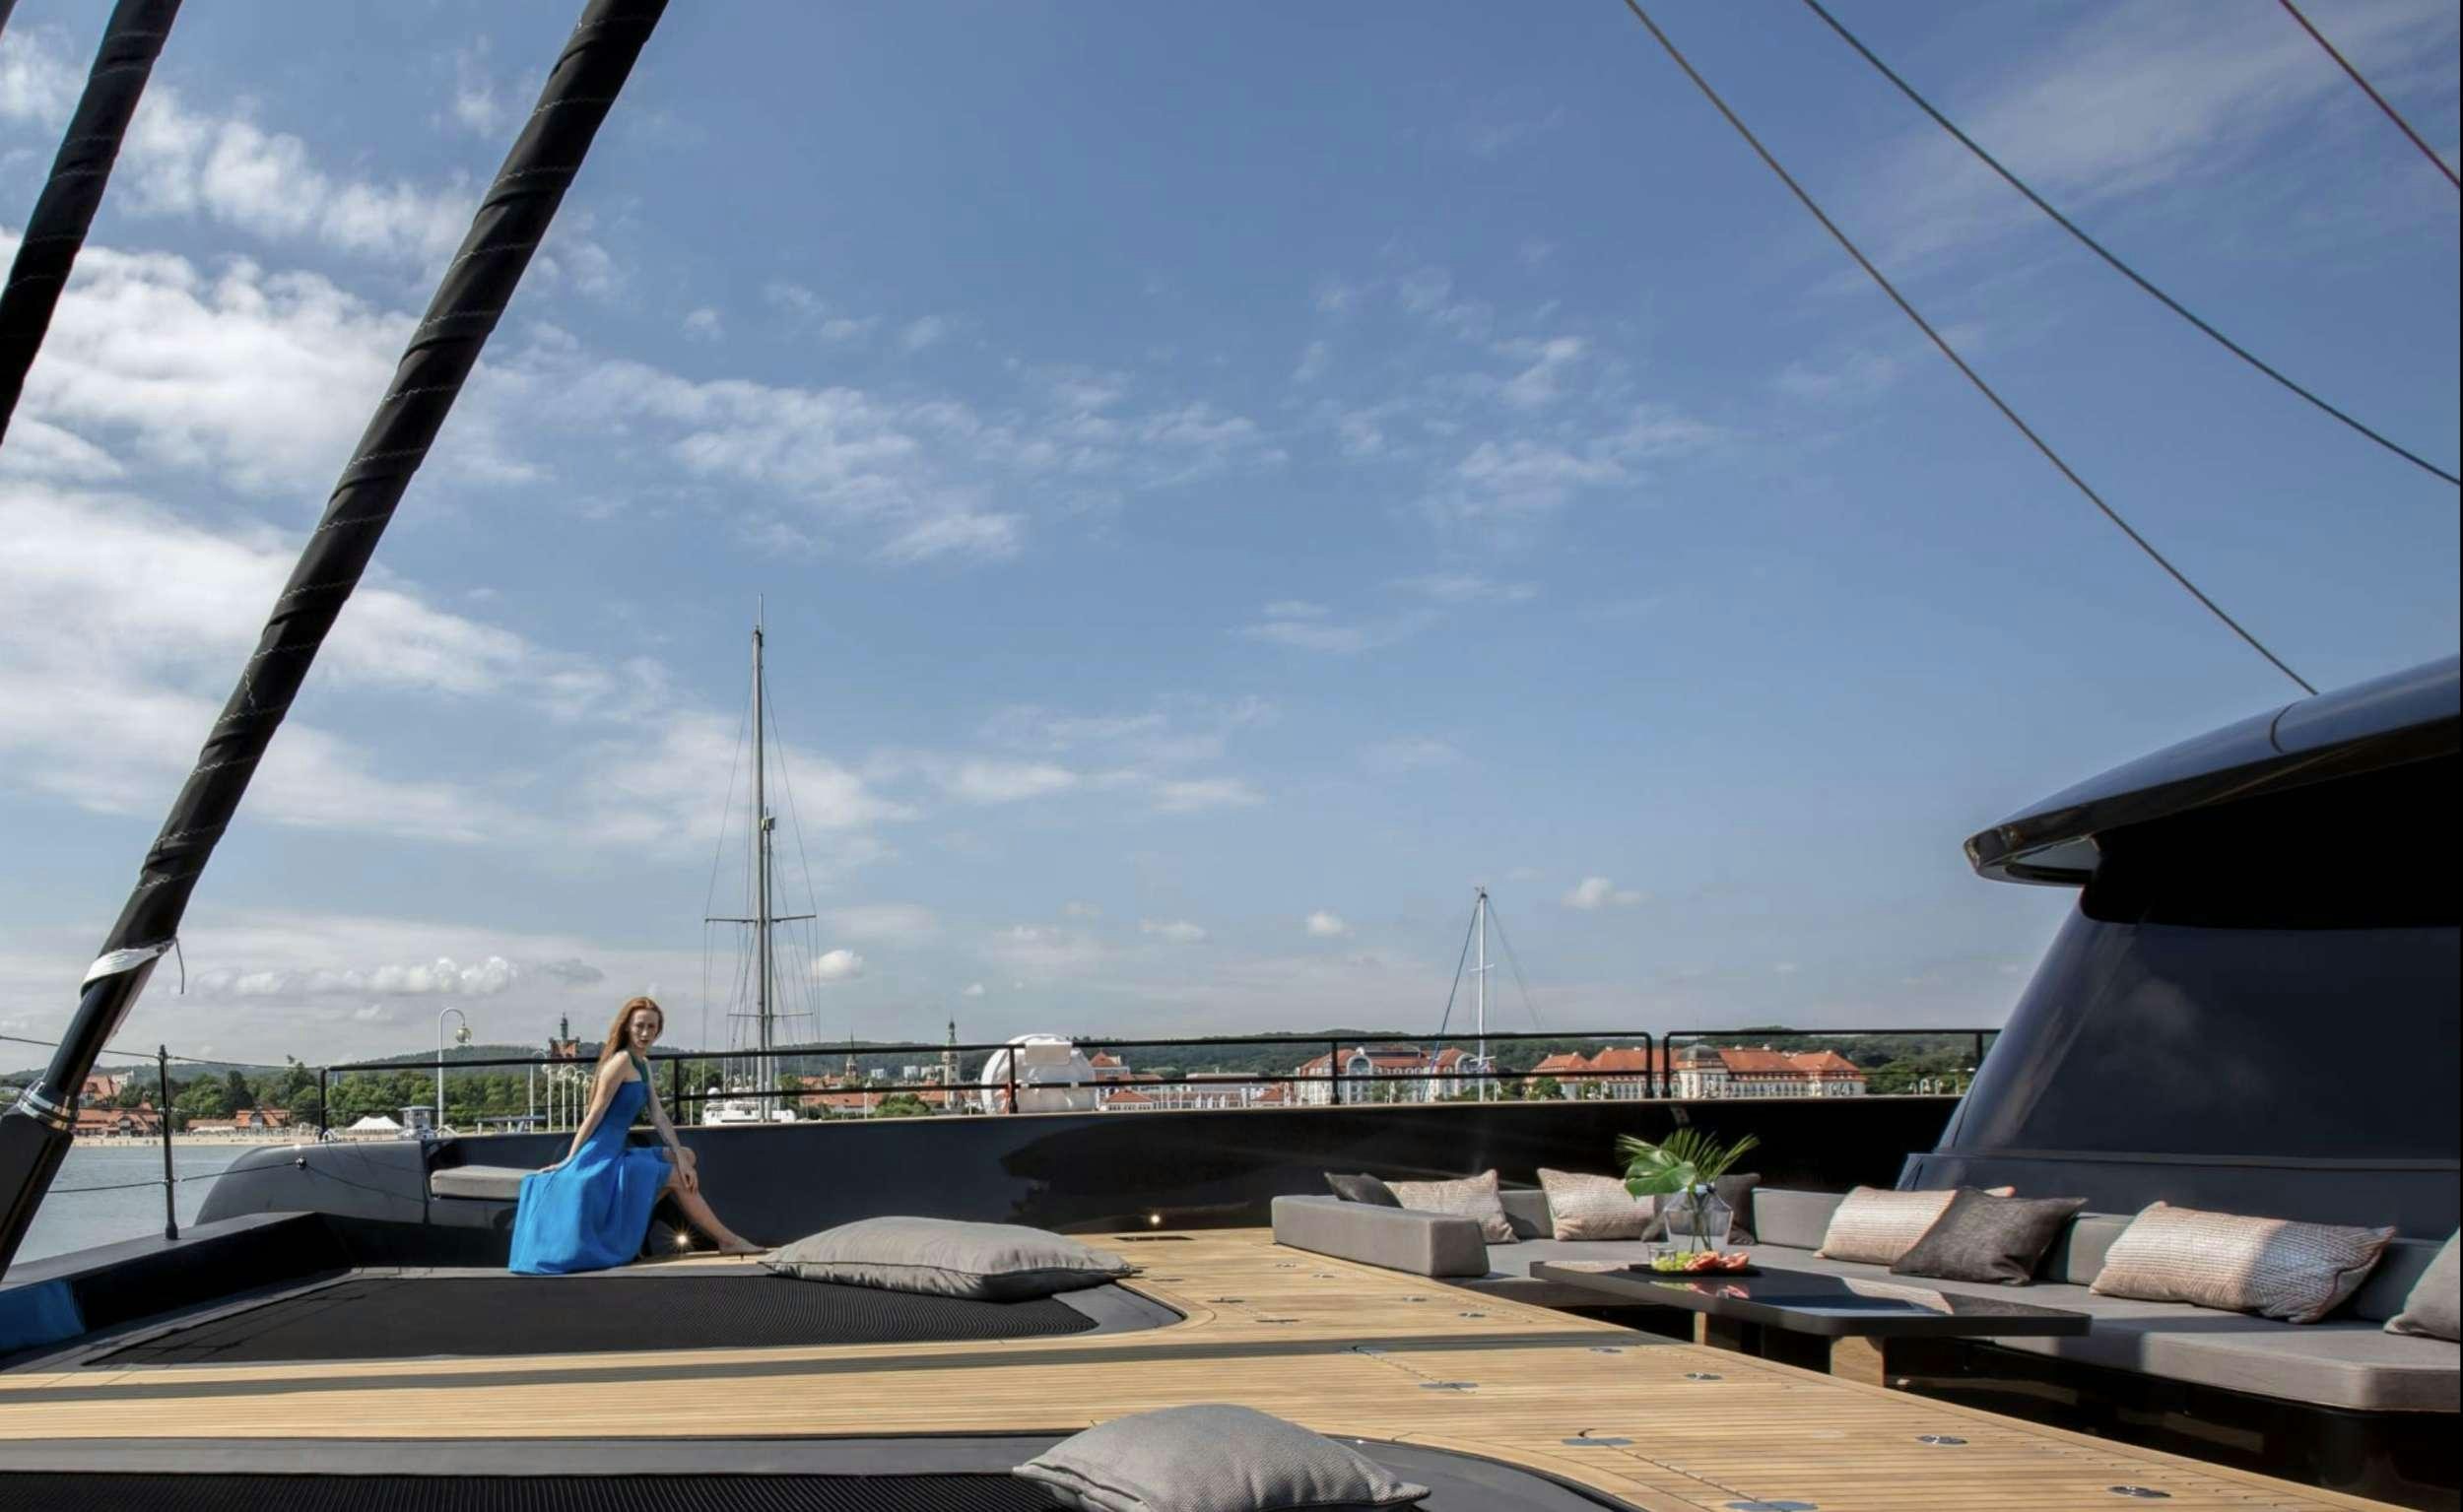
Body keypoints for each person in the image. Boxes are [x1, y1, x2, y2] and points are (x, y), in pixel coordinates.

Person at [508, 995, 761, 1274]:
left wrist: (679, 1154)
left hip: (616, 1150)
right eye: (640, 1026)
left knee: (688, 1157)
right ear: (627, 1026)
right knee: (678, 1177)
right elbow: (594, 1114)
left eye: (651, 1027)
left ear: (658, 1030)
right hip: (600, 1155)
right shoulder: (620, 1062)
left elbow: (658, 1115)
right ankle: (728, 1240)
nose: (645, 1033)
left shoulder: (642, 1063)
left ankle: (631, 1214)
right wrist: (570, 1160)